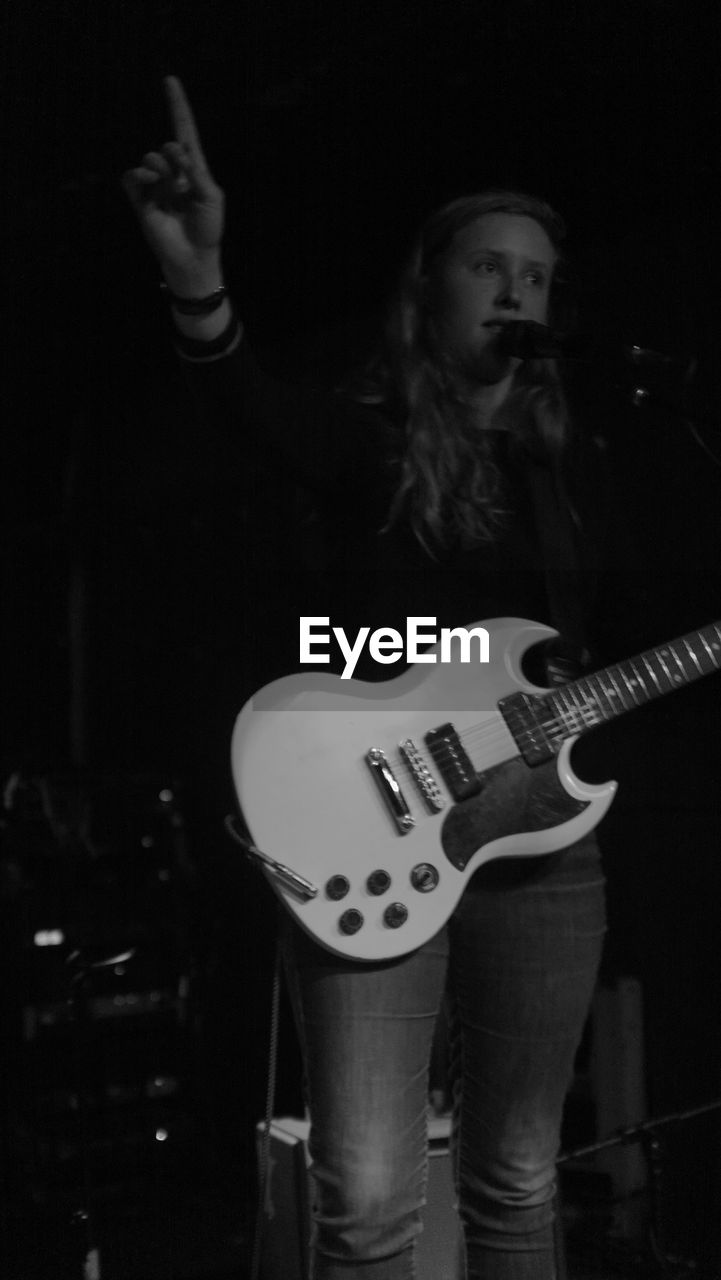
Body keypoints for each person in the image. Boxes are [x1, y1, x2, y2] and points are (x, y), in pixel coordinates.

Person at [123, 76, 607, 1280]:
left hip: (543, 852)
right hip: (379, 823)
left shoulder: (573, 476)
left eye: (537, 276)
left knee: (519, 1180)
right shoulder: (367, 444)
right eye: (490, 267)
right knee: (376, 1197)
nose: (517, 292)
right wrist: (198, 280)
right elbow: (245, 408)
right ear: (429, 287)